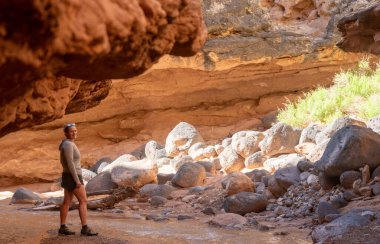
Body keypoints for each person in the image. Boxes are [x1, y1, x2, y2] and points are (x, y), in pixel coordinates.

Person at [58, 123, 98, 236]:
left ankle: (63, 227)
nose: (74, 133)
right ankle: (85, 228)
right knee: (83, 200)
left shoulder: (67, 144)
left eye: (75, 131)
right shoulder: (68, 145)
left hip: (68, 175)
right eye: (71, 131)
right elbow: (70, 163)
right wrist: (77, 180)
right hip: (72, 176)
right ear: (66, 133)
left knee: (67, 202)